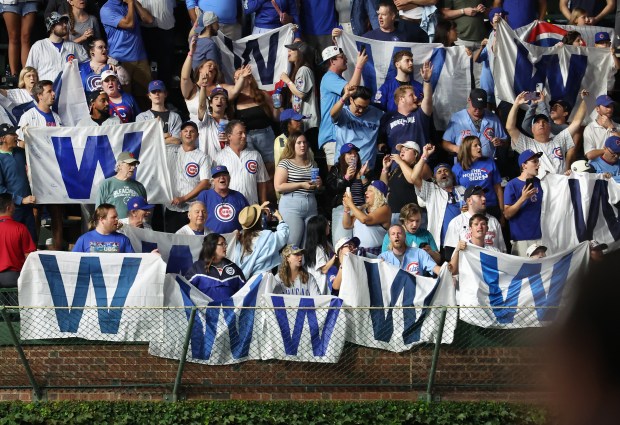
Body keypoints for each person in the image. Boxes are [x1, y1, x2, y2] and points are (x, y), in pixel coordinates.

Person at [16, 80, 64, 250]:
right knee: (35, 212)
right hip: (36, 172)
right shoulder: (28, 116)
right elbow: (20, 144)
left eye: (53, 91)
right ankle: (32, 249)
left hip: (54, 172)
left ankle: (57, 249)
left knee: (56, 212)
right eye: (49, 91)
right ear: (39, 95)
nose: (53, 94)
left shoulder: (57, 117)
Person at [506, 90, 589, 177]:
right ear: (532, 129)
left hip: (561, 186)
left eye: (544, 122)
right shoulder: (527, 144)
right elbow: (510, 127)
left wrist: (584, 100)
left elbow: (577, 122)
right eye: (537, 122)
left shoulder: (559, 139)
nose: (541, 124)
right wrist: (516, 104)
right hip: (540, 187)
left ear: (550, 128)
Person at [407, 144, 466, 249]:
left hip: (461, 241)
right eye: (439, 172)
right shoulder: (431, 190)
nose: (443, 173)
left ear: (452, 175)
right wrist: (425, 155)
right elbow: (414, 177)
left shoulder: (462, 189)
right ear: (435, 178)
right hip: (441, 243)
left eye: (446, 170)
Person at [318, 45, 366, 167]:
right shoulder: (329, 77)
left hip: (339, 134)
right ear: (332, 61)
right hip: (333, 135)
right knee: (336, 179)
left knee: (346, 178)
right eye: (342, 57)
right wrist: (359, 66)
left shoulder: (336, 78)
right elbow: (352, 91)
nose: (346, 59)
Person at [100, 0, 154, 109]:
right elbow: (129, 24)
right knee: (124, 99)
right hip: (121, 60)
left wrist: (133, 2)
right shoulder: (106, 9)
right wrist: (130, 3)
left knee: (146, 97)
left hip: (140, 57)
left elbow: (149, 19)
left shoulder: (129, 3)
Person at [274, 132, 322, 246]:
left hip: (310, 202)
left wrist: (318, 184)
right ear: (292, 145)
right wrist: (301, 184)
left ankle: (305, 264)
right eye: (299, 143)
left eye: (304, 142)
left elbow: (315, 187)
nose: (302, 145)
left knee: (309, 245)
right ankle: (287, 264)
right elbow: (278, 186)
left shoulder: (312, 163)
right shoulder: (285, 162)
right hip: (292, 204)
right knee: (293, 244)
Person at [181, 39, 244, 123]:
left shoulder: (220, 87)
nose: (212, 68)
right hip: (198, 130)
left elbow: (235, 90)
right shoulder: (192, 89)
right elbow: (185, 78)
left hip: (219, 130)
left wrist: (242, 77)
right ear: (200, 69)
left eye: (214, 69)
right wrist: (191, 53)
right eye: (209, 65)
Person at [164, 121, 211, 233]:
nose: (188, 134)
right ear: (180, 134)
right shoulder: (169, 151)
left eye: (192, 131)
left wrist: (183, 198)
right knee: (173, 243)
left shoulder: (202, 157)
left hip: (191, 209)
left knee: (193, 242)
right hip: (171, 207)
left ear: (197, 135)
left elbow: (205, 183)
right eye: (185, 131)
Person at [232, 68, 279, 179]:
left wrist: (278, 104)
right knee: (251, 169)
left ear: (248, 79)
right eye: (235, 78)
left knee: (270, 168)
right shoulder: (234, 99)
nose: (236, 79)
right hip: (246, 137)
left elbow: (276, 117)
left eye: (239, 76)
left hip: (265, 135)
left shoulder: (262, 94)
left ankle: (271, 195)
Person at [442, 88, 508, 161]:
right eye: (475, 107)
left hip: (487, 164)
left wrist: (500, 142)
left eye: (481, 108)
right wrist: (456, 148)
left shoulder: (493, 118)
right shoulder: (457, 118)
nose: (478, 110)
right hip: (464, 164)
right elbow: (445, 143)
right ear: (469, 100)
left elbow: (505, 141)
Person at [444, 185, 507, 259]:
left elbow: (503, 252)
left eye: (484, 195)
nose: (484, 198)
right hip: (467, 268)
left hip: (490, 267)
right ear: (469, 201)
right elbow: (449, 255)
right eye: (479, 196)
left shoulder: (493, 221)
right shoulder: (456, 222)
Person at [215, 120, 270, 205]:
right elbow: (215, 184)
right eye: (240, 133)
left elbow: (262, 181)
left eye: (245, 132)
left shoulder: (255, 155)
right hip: (229, 207)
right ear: (229, 136)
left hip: (252, 207)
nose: (244, 136)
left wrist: (263, 204)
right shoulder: (219, 157)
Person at [326, 143, 370, 246]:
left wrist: (362, 176)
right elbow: (331, 189)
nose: (353, 156)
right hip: (343, 209)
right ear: (343, 156)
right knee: (342, 244)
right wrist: (345, 178)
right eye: (349, 153)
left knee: (359, 245)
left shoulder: (361, 170)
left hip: (360, 211)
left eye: (355, 154)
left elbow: (369, 191)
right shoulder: (336, 170)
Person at [331, 85, 384, 170]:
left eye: (365, 107)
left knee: (364, 182)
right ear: (351, 100)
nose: (361, 110)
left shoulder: (377, 114)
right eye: (358, 106)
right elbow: (333, 114)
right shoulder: (343, 113)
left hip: (366, 170)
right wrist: (344, 97)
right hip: (344, 170)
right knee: (344, 182)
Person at [25, 12, 88, 82]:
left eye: (65, 22)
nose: (65, 25)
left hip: (69, 90)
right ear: (52, 27)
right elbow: (29, 71)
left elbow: (88, 64)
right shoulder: (39, 46)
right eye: (60, 23)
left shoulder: (73, 46)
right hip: (45, 90)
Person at [503, 150, 544, 257]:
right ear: (524, 165)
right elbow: (507, 214)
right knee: (524, 272)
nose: (538, 164)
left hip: (541, 236)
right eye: (534, 161)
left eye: (538, 161)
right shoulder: (512, 185)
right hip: (521, 238)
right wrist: (523, 198)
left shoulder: (540, 182)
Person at [378, 74, 433, 153]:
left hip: (420, 161)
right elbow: (381, 140)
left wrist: (427, 81)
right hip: (397, 162)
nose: (416, 97)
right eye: (411, 95)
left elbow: (428, 98)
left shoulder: (421, 114)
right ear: (402, 99)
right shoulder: (387, 117)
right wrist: (383, 148)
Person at [0, 124, 36, 243]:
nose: (16, 136)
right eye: (12, 134)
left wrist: (30, 134)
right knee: (15, 244)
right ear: (3, 138)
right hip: (11, 210)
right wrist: (20, 200)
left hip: (28, 207)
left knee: (31, 243)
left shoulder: (20, 153)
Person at [232, 204, 289, 278]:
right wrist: (280, 218)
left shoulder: (239, 238)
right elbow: (283, 235)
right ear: (259, 220)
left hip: (245, 280)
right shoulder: (266, 236)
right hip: (263, 279)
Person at [452, 136, 503, 218]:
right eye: (475, 145)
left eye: (479, 145)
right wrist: (460, 206)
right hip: (469, 209)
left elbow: (498, 189)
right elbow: (455, 192)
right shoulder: (457, 168)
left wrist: (502, 211)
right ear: (467, 149)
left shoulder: (489, 163)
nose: (479, 147)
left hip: (490, 206)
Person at [185, 233, 246, 301]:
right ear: (212, 246)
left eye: (225, 244)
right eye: (222, 244)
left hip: (230, 310)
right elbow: (186, 290)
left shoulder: (234, 267)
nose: (225, 246)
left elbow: (244, 291)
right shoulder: (197, 268)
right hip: (205, 311)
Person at [380, 142, 430, 225]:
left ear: (415, 154)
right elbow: (383, 186)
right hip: (394, 214)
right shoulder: (397, 169)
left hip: (414, 216)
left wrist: (400, 162)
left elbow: (412, 179)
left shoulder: (422, 166)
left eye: (406, 149)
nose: (402, 152)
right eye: (401, 150)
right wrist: (385, 169)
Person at [343, 180, 391, 256]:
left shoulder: (385, 209)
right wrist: (347, 208)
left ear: (378, 194)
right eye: (366, 190)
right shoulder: (363, 208)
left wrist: (351, 204)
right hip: (358, 253)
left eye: (370, 191)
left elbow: (365, 220)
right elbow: (347, 225)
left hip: (375, 255)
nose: (365, 193)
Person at [0, 193, 36, 296]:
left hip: (12, 278)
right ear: (9, 208)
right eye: (13, 205)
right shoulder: (20, 228)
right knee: (16, 310)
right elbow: (29, 256)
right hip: (13, 278)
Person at [197, 165, 249, 234]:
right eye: (218, 176)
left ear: (229, 178)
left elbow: (248, 218)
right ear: (212, 181)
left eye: (224, 175)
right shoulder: (204, 195)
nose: (222, 177)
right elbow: (196, 219)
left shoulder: (239, 196)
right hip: (211, 240)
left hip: (235, 239)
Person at [279, 41, 319, 132]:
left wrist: (287, 81)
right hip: (303, 120)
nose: (288, 52)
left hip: (309, 122)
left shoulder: (304, 70)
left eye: (292, 50)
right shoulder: (299, 70)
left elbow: (301, 94)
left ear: (301, 52)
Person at [96, 151, 147, 219]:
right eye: (130, 164)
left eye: (134, 164)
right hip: (113, 227)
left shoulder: (140, 186)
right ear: (119, 165)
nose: (133, 167)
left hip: (135, 228)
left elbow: (145, 210)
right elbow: (99, 212)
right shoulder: (106, 184)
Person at [138, 0, 176, 89]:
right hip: (146, 29)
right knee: (146, 65)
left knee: (166, 64)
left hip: (166, 27)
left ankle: (165, 96)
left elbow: (173, 5)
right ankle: (149, 95)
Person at [136, 80, 182, 145]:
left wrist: (154, 138)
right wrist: (165, 135)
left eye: (159, 91)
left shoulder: (175, 117)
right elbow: (143, 141)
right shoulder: (141, 117)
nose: (157, 94)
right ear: (149, 95)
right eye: (153, 91)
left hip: (170, 153)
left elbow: (177, 141)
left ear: (165, 94)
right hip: (151, 154)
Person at [196, 86, 233, 164]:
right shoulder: (205, 120)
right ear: (211, 103)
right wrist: (203, 87)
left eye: (223, 99)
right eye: (216, 98)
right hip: (208, 164)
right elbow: (202, 106)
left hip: (227, 163)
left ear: (226, 105)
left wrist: (229, 140)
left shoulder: (231, 125)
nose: (219, 101)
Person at [1, 0, 38, 76]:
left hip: (30, 1)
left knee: (26, 37)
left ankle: (27, 75)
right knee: (13, 37)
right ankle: (13, 74)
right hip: (9, 2)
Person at [303, 215, 335, 295]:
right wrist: (336, 256)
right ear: (321, 229)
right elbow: (324, 269)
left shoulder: (326, 244)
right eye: (327, 224)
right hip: (318, 290)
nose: (329, 226)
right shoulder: (317, 249)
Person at [584, 95, 619, 161]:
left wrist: (611, 127)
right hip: (597, 168)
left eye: (612, 106)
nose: (610, 109)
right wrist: (607, 151)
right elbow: (589, 154)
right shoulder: (590, 128)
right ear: (597, 109)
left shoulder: (617, 126)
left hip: (616, 167)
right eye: (607, 106)